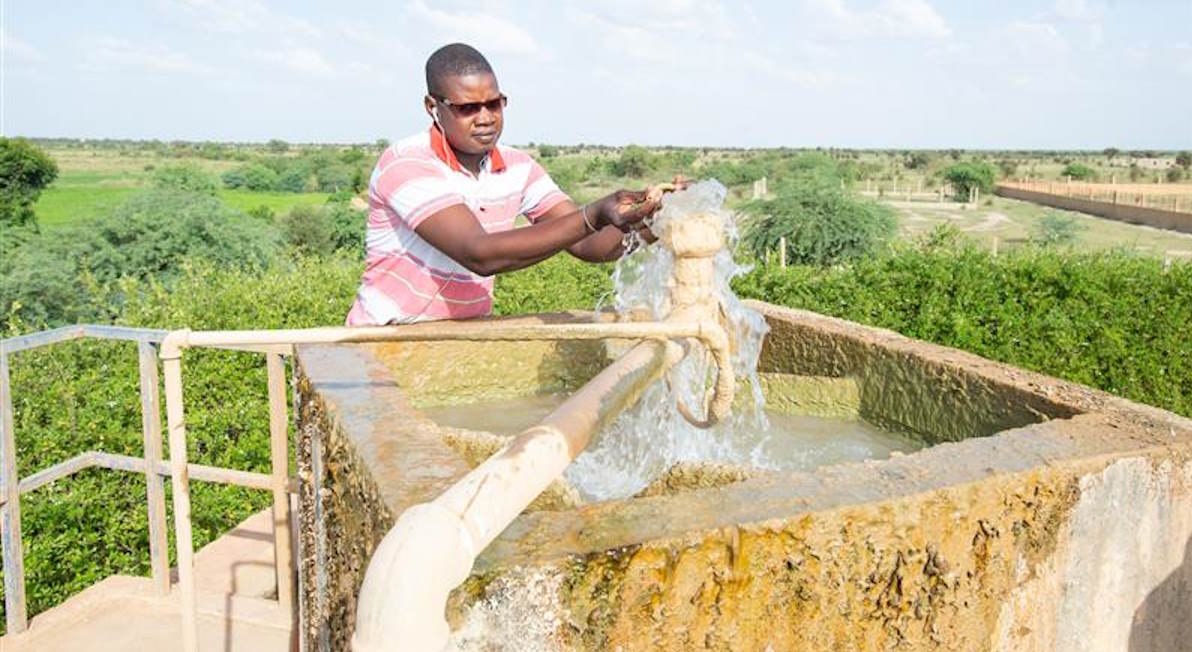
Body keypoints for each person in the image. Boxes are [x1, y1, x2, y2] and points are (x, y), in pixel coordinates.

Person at [346, 43, 670, 325]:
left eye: (494, 103)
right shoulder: (408, 164)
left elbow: (590, 244)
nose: (486, 117)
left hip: (459, 342)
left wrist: (659, 215)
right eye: (467, 108)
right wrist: (593, 215)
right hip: (383, 342)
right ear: (433, 107)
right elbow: (480, 255)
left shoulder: (518, 167)